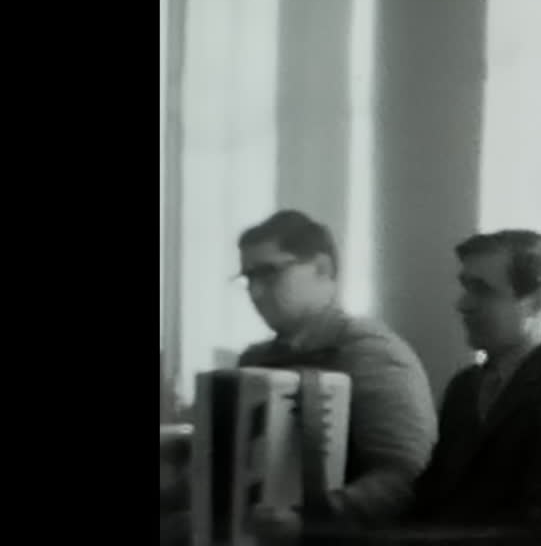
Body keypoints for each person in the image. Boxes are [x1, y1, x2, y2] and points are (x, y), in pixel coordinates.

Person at [160, 209, 440, 545]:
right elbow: (218, 467)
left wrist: (310, 519)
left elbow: (404, 476)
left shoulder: (369, 352)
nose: (256, 292)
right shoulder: (255, 359)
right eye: (249, 278)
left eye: (269, 273)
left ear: (322, 269)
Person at [410, 230, 541, 536]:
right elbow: (428, 499)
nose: (463, 304)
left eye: (482, 290)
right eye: (466, 287)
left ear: (538, 302)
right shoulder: (464, 388)